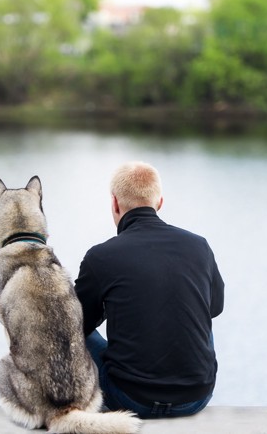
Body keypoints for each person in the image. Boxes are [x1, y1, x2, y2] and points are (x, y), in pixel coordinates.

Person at [74, 161, 225, 419]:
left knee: (66, 323)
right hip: (196, 397)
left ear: (115, 203)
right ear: (160, 202)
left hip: (127, 398)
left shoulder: (101, 256)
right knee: (197, 313)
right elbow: (215, 307)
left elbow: (76, 322)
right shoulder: (199, 246)